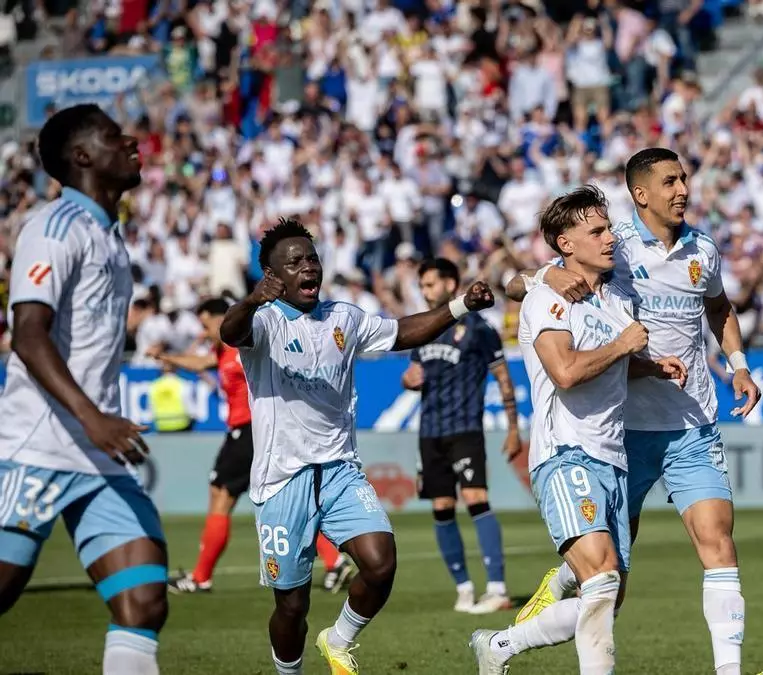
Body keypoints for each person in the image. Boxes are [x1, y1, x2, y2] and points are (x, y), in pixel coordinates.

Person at [503, 148, 762, 675]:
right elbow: (516, 284)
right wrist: (546, 277)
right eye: (670, 181)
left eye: (684, 178)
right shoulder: (612, 245)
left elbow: (719, 307)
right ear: (641, 194)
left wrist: (738, 364)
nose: (683, 189)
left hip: (692, 423)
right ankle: (519, 631)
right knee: (610, 586)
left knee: (718, 542)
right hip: (625, 433)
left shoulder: (703, 250)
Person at [219, 218, 495, 675]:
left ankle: (339, 638)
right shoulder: (264, 321)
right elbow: (230, 333)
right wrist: (251, 300)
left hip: (339, 470)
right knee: (292, 604)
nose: (308, 267)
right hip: (283, 478)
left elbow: (404, 332)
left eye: (312, 258)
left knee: (381, 562)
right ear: (273, 275)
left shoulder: (343, 318)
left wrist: (460, 305)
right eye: (295, 262)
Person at [470, 186, 687, 674]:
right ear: (565, 243)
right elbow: (566, 372)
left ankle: (500, 646)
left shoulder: (615, 300)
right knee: (602, 580)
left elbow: (611, 366)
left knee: (608, 599)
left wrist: (649, 367)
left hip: (613, 458)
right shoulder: (547, 297)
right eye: (597, 231)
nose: (610, 238)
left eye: (608, 229)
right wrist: (624, 345)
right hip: (566, 452)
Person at [0, 104, 167, 674]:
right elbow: (28, 335)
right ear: (82, 156)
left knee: (143, 600)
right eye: (114, 137)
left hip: (96, 459)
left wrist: (96, 425)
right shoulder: (54, 228)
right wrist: (93, 417)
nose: (131, 143)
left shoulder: (108, 236)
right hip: (37, 446)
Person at [162, 298, 355, 595]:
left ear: (221, 319)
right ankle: (334, 561)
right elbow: (200, 363)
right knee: (285, 501)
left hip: (251, 429)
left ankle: (201, 577)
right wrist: (167, 357)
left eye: (205, 324)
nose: (203, 331)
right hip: (251, 431)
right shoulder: (222, 350)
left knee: (221, 496)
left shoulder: (245, 345)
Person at [401, 257, 523, 614]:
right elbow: (413, 373)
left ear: (451, 285)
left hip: (466, 429)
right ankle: (464, 588)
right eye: (422, 286)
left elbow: (503, 377)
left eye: (430, 285)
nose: (425, 292)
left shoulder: (479, 328)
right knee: (441, 507)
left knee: (475, 498)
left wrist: (513, 428)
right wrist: (407, 380)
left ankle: (497, 588)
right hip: (430, 432)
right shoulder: (423, 327)